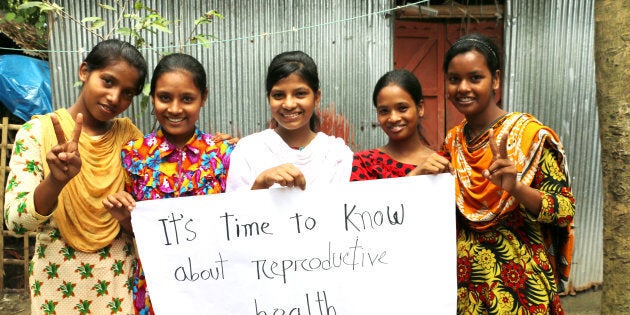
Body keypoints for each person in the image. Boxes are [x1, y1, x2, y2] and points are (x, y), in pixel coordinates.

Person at [4, 39, 147, 314]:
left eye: (127, 92)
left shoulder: (131, 141)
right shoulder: (37, 133)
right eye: (107, 81)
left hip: (117, 286)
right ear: (84, 71)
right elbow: (16, 222)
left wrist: (220, 150)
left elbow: (149, 220)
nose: (115, 98)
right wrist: (55, 182)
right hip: (57, 287)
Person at [442, 33, 575, 314]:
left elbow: (564, 209)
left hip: (522, 291)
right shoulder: (452, 142)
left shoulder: (528, 136)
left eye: (475, 78)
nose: (463, 88)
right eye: (454, 79)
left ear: (496, 80)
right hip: (468, 293)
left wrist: (517, 188)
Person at [102, 53, 234, 314]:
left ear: (203, 98)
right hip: (155, 288)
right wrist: (123, 217)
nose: (174, 109)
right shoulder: (133, 155)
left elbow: (239, 223)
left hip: (213, 286)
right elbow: (139, 229)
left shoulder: (223, 154)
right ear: (153, 98)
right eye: (165, 97)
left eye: (187, 99)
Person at [226, 50, 352, 191]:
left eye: (300, 94)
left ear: (316, 97)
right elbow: (234, 210)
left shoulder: (336, 154)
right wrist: (260, 184)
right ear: (269, 99)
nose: (289, 104)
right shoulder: (248, 150)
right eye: (279, 95)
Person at [350, 69, 450, 181]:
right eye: (384, 111)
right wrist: (413, 177)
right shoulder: (364, 163)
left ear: (420, 108)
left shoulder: (442, 164)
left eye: (402, 108)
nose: (393, 118)